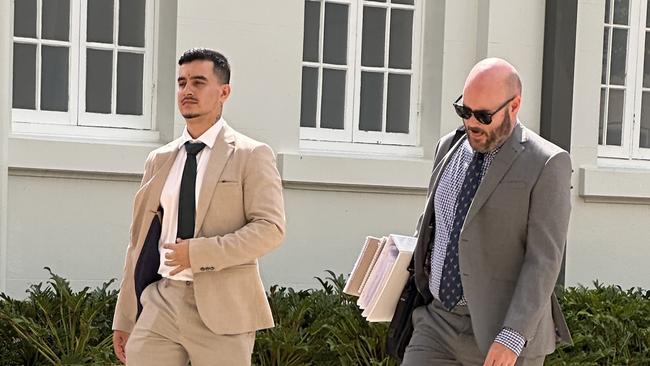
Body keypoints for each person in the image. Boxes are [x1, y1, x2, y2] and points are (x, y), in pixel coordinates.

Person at [111, 48, 285, 366]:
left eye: (198, 82)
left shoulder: (252, 154)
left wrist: (199, 253)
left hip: (223, 307)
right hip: (160, 300)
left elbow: (270, 229)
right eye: (182, 82)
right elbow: (137, 243)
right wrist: (124, 317)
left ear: (224, 92)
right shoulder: (160, 159)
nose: (187, 91)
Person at [402, 58, 572, 366]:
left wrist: (512, 336)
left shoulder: (547, 164)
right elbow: (434, 229)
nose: (472, 123)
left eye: (483, 115)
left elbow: (544, 261)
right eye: (464, 111)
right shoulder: (448, 148)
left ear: (514, 105)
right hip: (437, 324)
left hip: (503, 334)